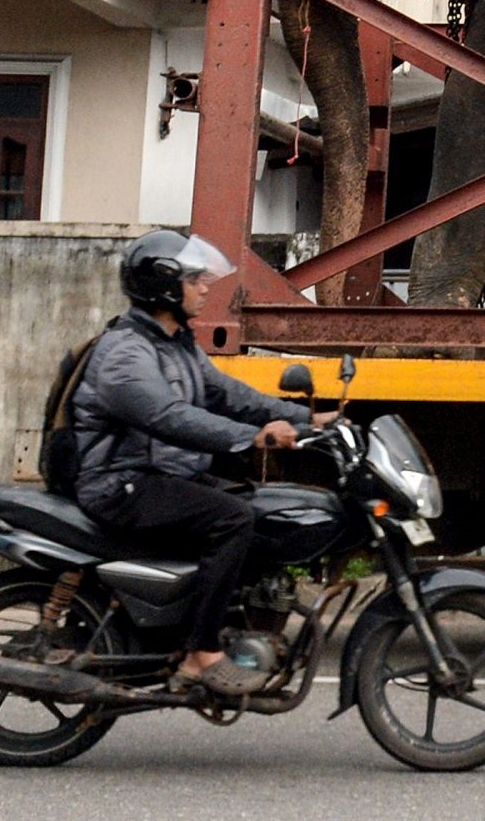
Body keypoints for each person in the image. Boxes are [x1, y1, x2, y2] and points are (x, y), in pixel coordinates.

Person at [71, 230, 332, 696]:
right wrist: (251, 437)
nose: (205, 287)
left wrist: (308, 419)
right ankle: (201, 653)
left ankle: (223, 619)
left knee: (260, 508)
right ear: (164, 286)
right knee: (231, 519)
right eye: (194, 279)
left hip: (161, 474)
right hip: (120, 481)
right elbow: (167, 417)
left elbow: (229, 395)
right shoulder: (125, 353)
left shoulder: (176, 344)